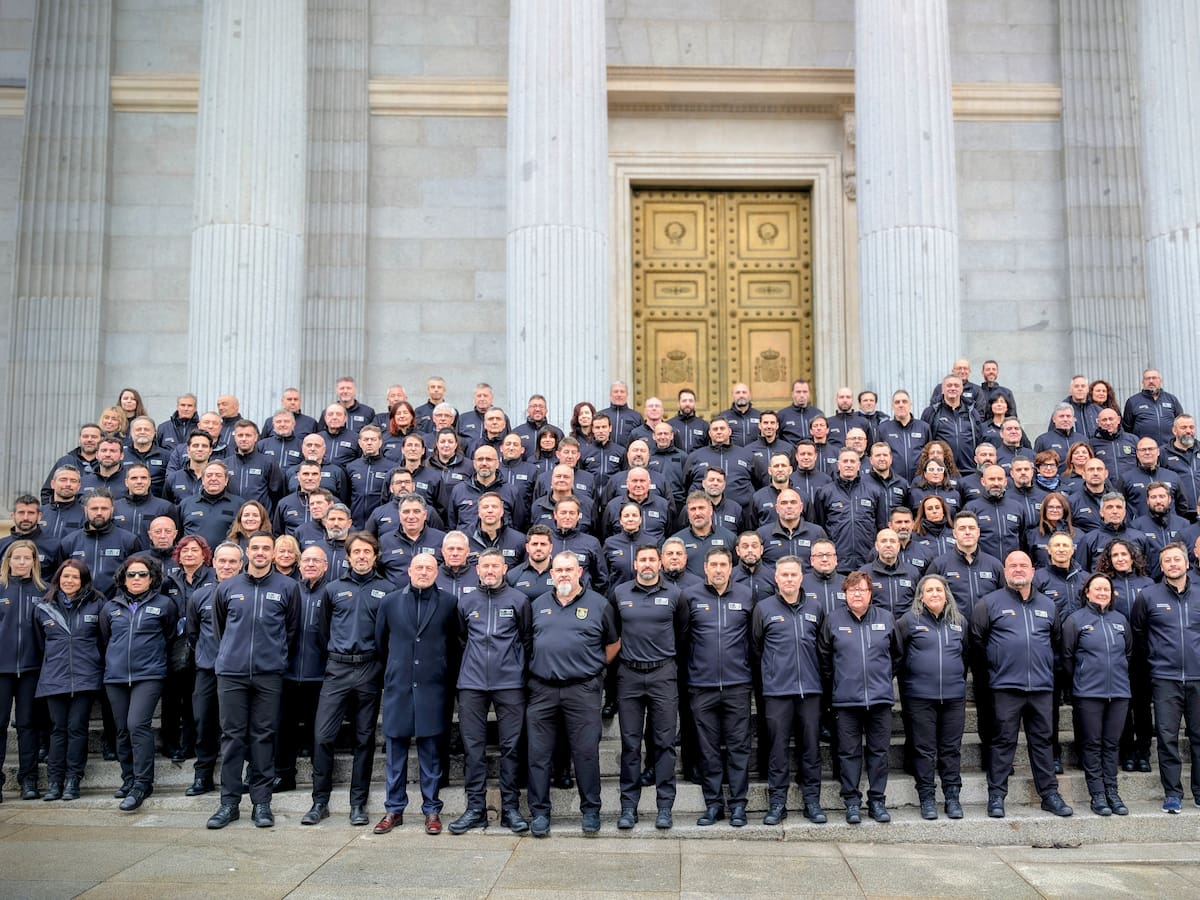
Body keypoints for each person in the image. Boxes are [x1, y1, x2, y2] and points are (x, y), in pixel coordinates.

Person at [206, 532, 300, 829]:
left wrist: (274, 657)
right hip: (231, 674)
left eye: (266, 548)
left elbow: (292, 631)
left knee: (263, 737)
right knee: (232, 738)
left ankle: (262, 803)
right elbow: (220, 630)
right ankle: (229, 803)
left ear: (273, 553)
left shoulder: (288, 587)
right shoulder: (227, 587)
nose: (260, 552)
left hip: (268, 675)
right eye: (255, 547)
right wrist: (232, 656)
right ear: (247, 552)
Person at [969, 551, 1072, 818]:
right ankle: (996, 796)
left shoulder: (1048, 605)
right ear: (1005, 571)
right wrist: (994, 670)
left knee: (1043, 742)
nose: (1018, 569)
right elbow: (977, 642)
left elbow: (1056, 642)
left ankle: (1049, 795)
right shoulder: (989, 603)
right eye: (1012, 565)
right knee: (1002, 742)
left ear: (1032, 571)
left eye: (1023, 565)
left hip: (1041, 688)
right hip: (1005, 687)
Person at [524, 551, 619, 837]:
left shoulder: (599, 604)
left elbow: (613, 644)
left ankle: (591, 811)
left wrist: (593, 669)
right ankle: (540, 813)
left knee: (586, 753)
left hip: (583, 690)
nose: (564, 574)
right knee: (538, 754)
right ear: (551, 574)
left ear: (579, 572)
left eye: (569, 569)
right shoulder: (537, 605)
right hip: (542, 689)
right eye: (559, 570)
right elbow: (527, 642)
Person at [303, 532, 391, 827]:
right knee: (323, 736)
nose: (362, 556)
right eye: (357, 552)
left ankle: (358, 803)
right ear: (348, 557)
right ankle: (319, 801)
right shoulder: (333, 589)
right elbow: (323, 631)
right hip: (337, 670)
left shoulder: (386, 590)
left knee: (364, 739)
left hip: (369, 669)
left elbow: (387, 635)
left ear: (375, 556)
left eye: (367, 552)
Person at [373, 553, 459, 836]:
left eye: (429, 568)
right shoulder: (390, 602)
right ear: (409, 570)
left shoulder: (449, 603)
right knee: (395, 753)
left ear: (437, 572)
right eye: (419, 567)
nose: (423, 572)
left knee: (431, 754)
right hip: (399, 687)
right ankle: (393, 809)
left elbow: (454, 644)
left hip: (433, 688)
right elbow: (381, 642)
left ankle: (432, 809)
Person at [448, 549, 532, 835]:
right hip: (472, 684)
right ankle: (475, 808)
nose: (490, 570)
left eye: (495, 565)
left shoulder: (519, 600)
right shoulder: (466, 601)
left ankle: (511, 808)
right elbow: (461, 638)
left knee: (511, 747)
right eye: (485, 566)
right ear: (478, 569)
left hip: (510, 683)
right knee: (473, 748)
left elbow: (526, 639)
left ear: (504, 569)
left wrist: (516, 668)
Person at [611, 544, 688, 831]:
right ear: (635, 564)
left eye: (651, 559)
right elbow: (613, 633)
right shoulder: (619, 593)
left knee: (664, 743)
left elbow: (683, 633)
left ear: (660, 564)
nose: (646, 564)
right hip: (629, 675)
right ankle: (628, 807)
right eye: (642, 559)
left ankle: (664, 807)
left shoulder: (675, 595)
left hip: (663, 674)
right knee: (630, 744)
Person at [751, 556, 826, 825]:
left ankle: (812, 802)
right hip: (777, 692)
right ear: (776, 578)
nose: (789, 579)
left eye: (794, 574)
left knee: (811, 748)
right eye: (784, 575)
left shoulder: (815, 607)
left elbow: (822, 648)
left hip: (810, 690)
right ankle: (777, 803)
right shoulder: (764, 608)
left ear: (801, 577)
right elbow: (756, 649)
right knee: (777, 750)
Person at [818, 570, 896, 824]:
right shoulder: (833, 620)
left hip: (880, 699)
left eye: (862, 589)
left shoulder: (886, 618)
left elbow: (897, 655)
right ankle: (852, 802)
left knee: (879, 752)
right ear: (845, 594)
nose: (857, 594)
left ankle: (877, 801)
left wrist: (882, 677)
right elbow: (824, 659)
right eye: (852, 590)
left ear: (870, 593)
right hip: (846, 700)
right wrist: (840, 682)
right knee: (848, 753)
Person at [100, 555, 177, 811]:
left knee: (137, 725)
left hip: (149, 675)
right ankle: (128, 778)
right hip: (116, 677)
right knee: (122, 729)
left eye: (142, 574)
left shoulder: (165, 604)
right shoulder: (110, 607)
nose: (136, 578)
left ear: (152, 578)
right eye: (131, 574)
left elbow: (169, 635)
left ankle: (142, 783)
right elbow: (106, 638)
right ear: (123, 579)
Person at [686, 547, 753, 828]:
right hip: (702, 686)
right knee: (708, 749)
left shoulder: (746, 595)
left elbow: (754, 639)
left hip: (737, 685)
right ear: (705, 568)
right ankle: (713, 804)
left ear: (730, 568)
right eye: (713, 564)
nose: (718, 570)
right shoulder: (690, 596)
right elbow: (682, 637)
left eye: (723, 565)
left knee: (739, 747)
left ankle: (738, 805)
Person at [1131, 542, 1200, 814]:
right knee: (1167, 738)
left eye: (1176, 559)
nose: (1172, 564)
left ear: (1187, 563)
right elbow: (1138, 633)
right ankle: (1172, 793)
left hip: (1198, 677)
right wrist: (1153, 661)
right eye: (1167, 561)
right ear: (1161, 566)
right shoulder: (1148, 596)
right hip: (1164, 678)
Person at [893, 573, 968, 820]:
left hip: (954, 696)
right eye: (929, 590)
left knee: (951, 749)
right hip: (919, 697)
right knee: (923, 750)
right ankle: (926, 797)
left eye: (939, 590)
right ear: (921, 596)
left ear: (946, 595)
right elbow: (898, 657)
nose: (935, 594)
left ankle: (952, 797)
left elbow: (965, 656)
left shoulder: (959, 622)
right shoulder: (908, 621)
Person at [32, 559, 103, 801]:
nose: (69, 581)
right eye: (65, 576)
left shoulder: (97, 604)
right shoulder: (44, 607)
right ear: (58, 579)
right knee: (58, 729)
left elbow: (104, 639)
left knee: (77, 728)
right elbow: (39, 644)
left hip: (86, 677)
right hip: (54, 677)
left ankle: (73, 780)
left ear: (83, 580)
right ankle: (54, 782)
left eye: (75, 577)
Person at [1062, 574, 1132, 816]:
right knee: (1092, 744)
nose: (1102, 593)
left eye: (1106, 589)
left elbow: (1128, 653)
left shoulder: (1120, 620)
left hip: (1119, 692)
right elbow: (1067, 656)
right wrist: (1083, 677)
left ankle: (1112, 791)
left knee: (1112, 744)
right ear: (1087, 592)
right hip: (1088, 693)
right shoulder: (1075, 620)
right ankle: (1098, 795)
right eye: (1097, 589)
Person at [183, 541, 244, 797]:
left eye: (232, 561)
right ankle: (203, 775)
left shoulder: (249, 593)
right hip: (208, 670)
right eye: (223, 561)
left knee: (238, 726)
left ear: (241, 565)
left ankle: (242, 775)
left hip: (240, 671)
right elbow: (193, 633)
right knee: (204, 721)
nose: (227, 566)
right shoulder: (200, 595)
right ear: (213, 563)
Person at [274, 545, 329, 793]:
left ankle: (320, 779)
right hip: (287, 671)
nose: (311, 564)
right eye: (306, 560)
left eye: (316, 561)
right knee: (283, 727)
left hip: (320, 673)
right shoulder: (289, 589)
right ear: (299, 564)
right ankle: (284, 775)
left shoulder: (331, 592)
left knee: (319, 730)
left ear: (326, 565)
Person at [0, 540, 47, 800]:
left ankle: (29, 779)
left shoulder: (44, 591)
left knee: (28, 725)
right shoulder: (1, 588)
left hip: (32, 669)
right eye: (16, 558)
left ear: (34, 561)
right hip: (1, 669)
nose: (21, 562)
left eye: (27, 558)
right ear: (8, 561)